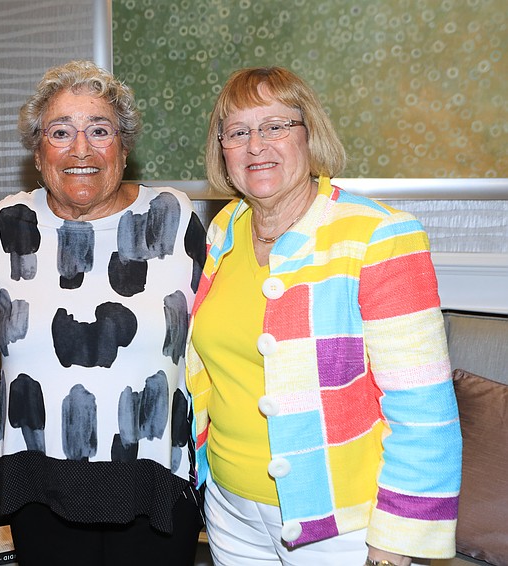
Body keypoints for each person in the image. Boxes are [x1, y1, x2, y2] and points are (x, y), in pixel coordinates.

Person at [186, 65, 462, 566]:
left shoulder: (378, 235)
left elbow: (425, 412)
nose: (256, 145)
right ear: (221, 150)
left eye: (275, 126)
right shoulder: (224, 229)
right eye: (238, 132)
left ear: (310, 135)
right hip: (228, 511)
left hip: (340, 524)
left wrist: (395, 545)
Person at [0, 60, 206, 565]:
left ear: (124, 149)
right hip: (38, 482)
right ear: (38, 154)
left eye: (99, 131)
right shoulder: (8, 223)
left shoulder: (173, 218)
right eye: (60, 132)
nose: (80, 149)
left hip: (155, 482)